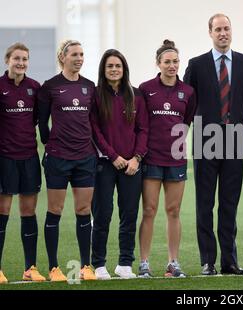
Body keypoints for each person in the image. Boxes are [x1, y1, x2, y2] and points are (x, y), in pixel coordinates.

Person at [183, 13, 243, 275]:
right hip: (206, 141)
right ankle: (208, 261)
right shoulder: (197, 64)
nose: (223, 33)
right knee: (205, 203)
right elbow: (188, 103)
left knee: (229, 203)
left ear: (231, 31)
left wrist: (232, 122)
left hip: (234, 140)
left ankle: (230, 261)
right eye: (218, 29)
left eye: (226, 28)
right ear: (210, 32)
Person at [38, 40, 97, 281]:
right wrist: (50, 145)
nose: (79, 58)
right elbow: (42, 123)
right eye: (74, 54)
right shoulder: (50, 86)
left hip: (85, 157)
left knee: (84, 210)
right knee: (55, 210)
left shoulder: (89, 86)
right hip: (59, 159)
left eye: (82, 54)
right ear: (63, 57)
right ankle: (54, 267)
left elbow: (93, 122)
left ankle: (86, 266)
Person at [138, 40, 196, 278]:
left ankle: (173, 263)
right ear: (158, 64)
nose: (172, 66)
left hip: (176, 159)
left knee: (173, 211)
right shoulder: (145, 88)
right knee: (149, 210)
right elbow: (140, 123)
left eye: (175, 62)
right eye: (167, 62)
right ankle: (144, 263)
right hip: (151, 158)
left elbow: (187, 121)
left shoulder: (188, 91)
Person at [90, 49, 148, 280]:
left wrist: (137, 158)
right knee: (102, 214)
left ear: (124, 70)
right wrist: (113, 156)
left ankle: (125, 263)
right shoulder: (95, 96)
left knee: (129, 215)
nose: (114, 70)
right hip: (105, 164)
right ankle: (99, 264)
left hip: (132, 166)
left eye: (118, 66)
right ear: (103, 70)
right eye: (110, 66)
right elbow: (94, 130)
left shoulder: (136, 95)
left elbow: (143, 129)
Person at [0, 43, 46, 284]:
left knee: (28, 212)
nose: (20, 63)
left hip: (29, 158)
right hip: (5, 159)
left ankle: (30, 268)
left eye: (25, 59)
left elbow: (38, 119)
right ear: (7, 60)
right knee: (3, 213)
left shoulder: (34, 88)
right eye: (16, 58)